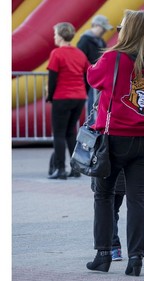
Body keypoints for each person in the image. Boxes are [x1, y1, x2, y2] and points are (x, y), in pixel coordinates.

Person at [85, 9, 144, 276]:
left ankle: (103, 254)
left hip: (115, 138)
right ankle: (136, 259)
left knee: (104, 195)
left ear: (126, 31)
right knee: (137, 198)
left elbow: (92, 78)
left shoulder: (113, 58)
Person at [46, 22, 90, 179]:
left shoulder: (57, 53)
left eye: (55, 34)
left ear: (61, 35)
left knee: (58, 134)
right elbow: (88, 74)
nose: (54, 37)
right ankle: (75, 169)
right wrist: (83, 91)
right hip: (78, 97)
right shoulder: (79, 53)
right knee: (71, 133)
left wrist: (50, 96)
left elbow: (52, 79)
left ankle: (60, 169)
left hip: (62, 97)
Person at [77, 15, 113, 125]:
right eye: (103, 29)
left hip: (99, 79)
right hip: (90, 79)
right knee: (92, 104)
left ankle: (97, 124)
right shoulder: (85, 40)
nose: (104, 32)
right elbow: (80, 60)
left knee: (98, 104)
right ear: (96, 26)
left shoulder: (101, 41)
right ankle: (92, 126)